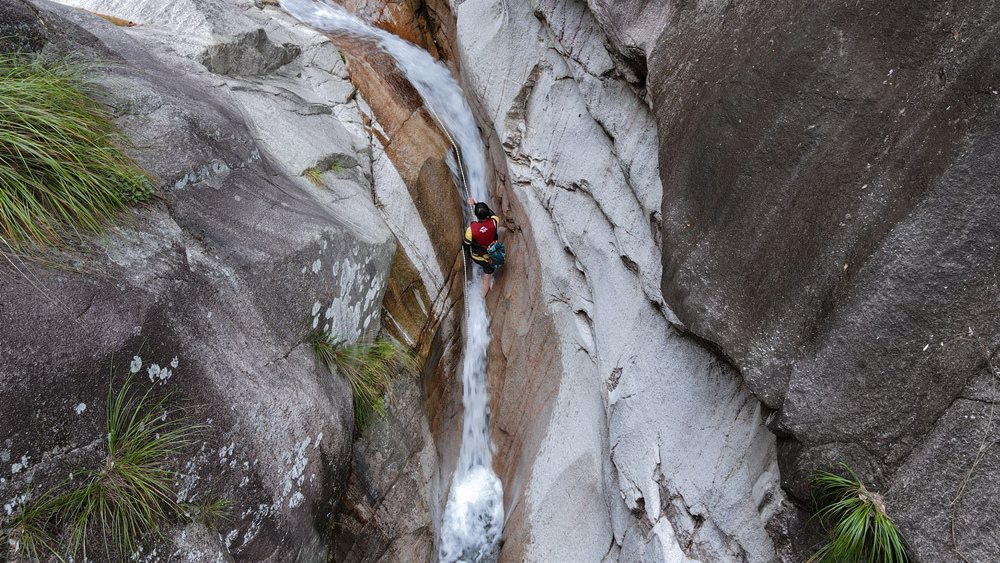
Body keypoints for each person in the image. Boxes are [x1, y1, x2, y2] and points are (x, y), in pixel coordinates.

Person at [463, 197, 501, 298]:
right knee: (486, 279)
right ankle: (481, 297)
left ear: (475, 215)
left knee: (471, 249)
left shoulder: (471, 230)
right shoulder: (495, 222)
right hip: (491, 257)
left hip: (477, 257)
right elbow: (492, 214)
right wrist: (478, 204)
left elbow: (466, 246)